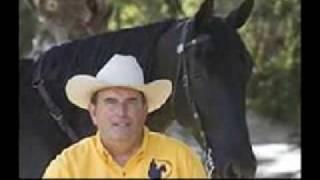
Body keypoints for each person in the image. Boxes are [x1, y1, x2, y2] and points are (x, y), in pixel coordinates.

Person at [42, 54, 208, 178]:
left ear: (145, 110)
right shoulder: (67, 168)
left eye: (131, 102)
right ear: (93, 112)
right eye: (111, 102)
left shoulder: (181, 159)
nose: (121, 112)